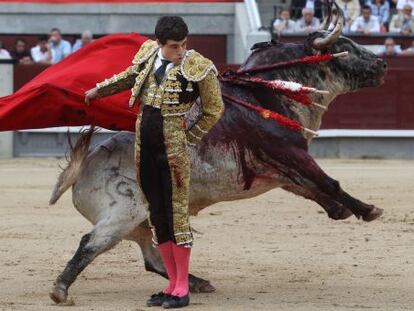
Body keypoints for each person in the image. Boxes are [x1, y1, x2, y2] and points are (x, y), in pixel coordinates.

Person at [84, 16, 224, 309]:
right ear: (160, 43)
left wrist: (190, 137)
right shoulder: (148, 54)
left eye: (184, 44)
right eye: (175, 46)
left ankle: (182, 287)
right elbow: (128, 76)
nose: (181, 51)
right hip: (144, 147)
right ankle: (171, 284)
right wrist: (99, 90)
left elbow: (214, 109)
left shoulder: (199, 66)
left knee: (176, 217)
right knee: (157, 216)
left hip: (173, 150)